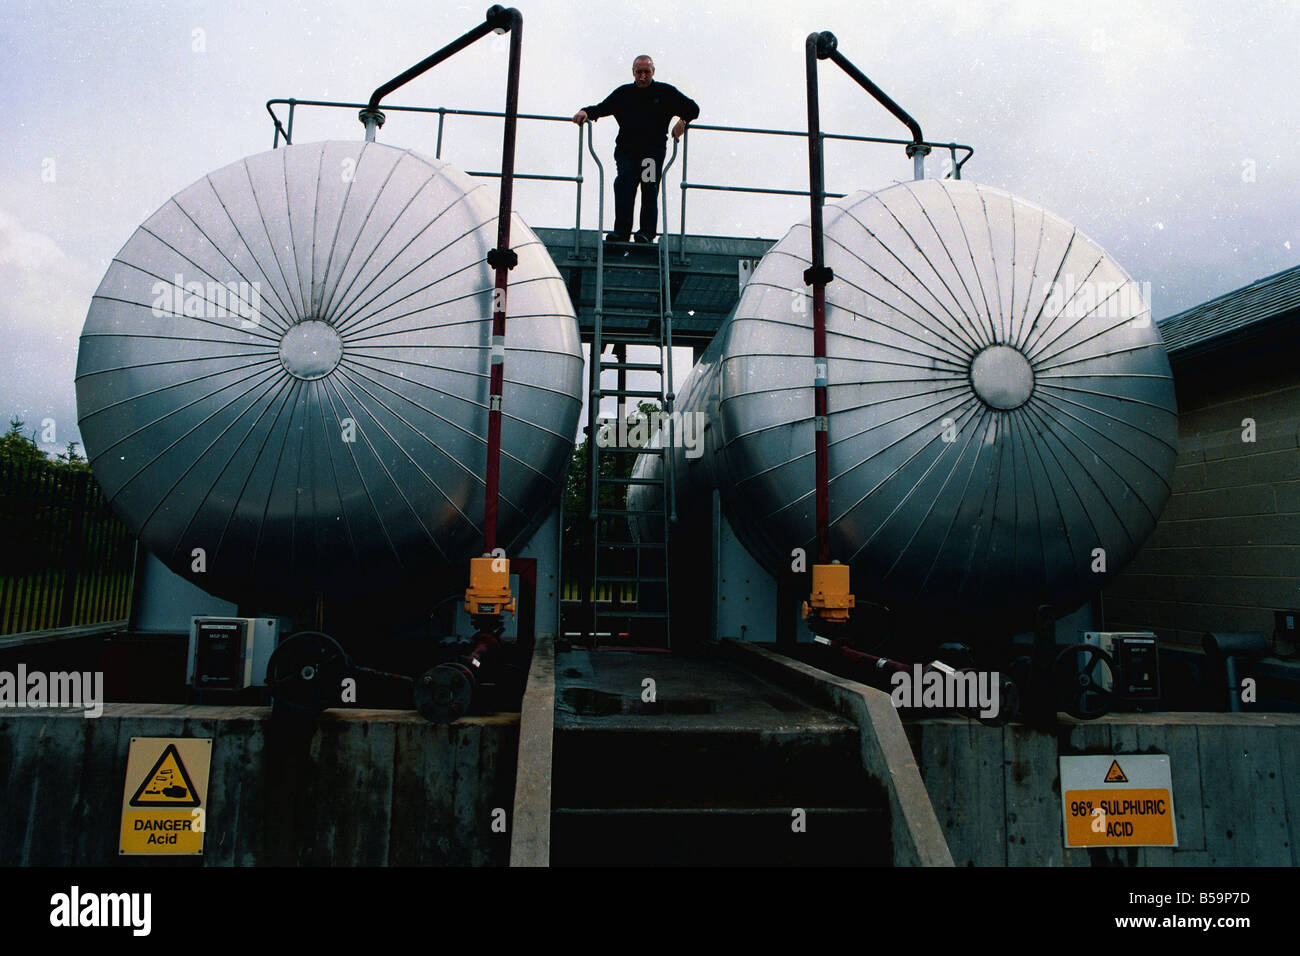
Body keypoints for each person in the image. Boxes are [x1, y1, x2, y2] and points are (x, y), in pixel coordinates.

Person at [573, 55, 699, 243]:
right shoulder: (624, 94)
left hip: (651, 153)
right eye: (639, 72)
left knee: (649, 187)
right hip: (628, 152)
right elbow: (601, 108)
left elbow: (692, 108)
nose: (642, 76)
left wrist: (682, 121)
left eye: (646, 72)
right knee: (624, 184)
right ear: (633, 73)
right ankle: (621, 232)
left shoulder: (665, 93)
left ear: (653, 72)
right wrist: (585, 111)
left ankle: (646, 232)